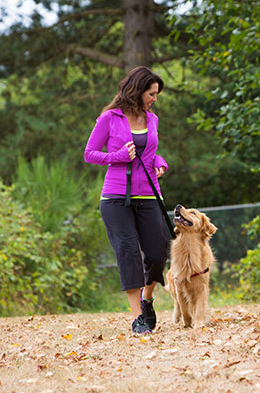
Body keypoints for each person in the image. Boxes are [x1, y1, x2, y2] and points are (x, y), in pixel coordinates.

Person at [84, 66, 168, 334]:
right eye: (151, 93)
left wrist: (162, 164)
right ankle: (138, 319)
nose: (154, 98)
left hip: (149, 193)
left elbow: (152, 153)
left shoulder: (151, 119)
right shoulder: (109, 118)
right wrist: (116, 156)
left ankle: (147, 299)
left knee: (157, 252)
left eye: (155, 94)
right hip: (116, 197)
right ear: (137, 90)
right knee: (128, 252)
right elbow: (89, 153)